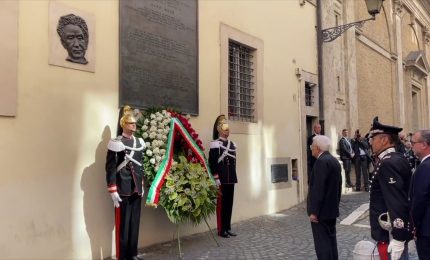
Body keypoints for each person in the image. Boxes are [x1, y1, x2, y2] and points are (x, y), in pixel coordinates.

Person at [368, 117, 412, 260]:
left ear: (384, 140)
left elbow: (396, 201)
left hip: (389, 233)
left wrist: (398, 236)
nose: (371, 142)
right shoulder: (395, 158)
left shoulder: (388, 163)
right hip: (388, 230)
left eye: (373, 138)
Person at [106, 106, 146, 260]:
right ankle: (123, 256)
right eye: (130, 123)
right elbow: (110, 167)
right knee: (123, 224)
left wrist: (141, 183)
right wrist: (112, 189)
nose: (134, 125)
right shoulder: (116, 142)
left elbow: (140, 164)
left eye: (134, 123)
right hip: (122, 187)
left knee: (134, 222)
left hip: (136, 187)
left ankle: (133, 253)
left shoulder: (139, 142)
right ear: (123, 124)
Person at [307, 135, 342, 260]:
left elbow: (318, 189)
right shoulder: (333, 160)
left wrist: (314, 212)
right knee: (331, 240)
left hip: (321, 213)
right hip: (331, 210)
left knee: (322, 244)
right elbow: (338, 187)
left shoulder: (321, 162)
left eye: (312, 146)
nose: (311, 148)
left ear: (317, 148)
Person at [209, 115, 238, 238]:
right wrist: (216, 178)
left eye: (228, 128)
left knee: (229, 203)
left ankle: (227, 227)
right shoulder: (215, 144)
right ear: (219, 130)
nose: (227, 131)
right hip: (221, 179)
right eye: (225, 128)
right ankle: (221, 229)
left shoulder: (232, 144)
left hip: (230, 178)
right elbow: (213, 162)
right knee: (221, 205)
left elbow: (233, 162)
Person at [409, 130, 430, 259]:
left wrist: (414, 225)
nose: (411, 146)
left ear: (424, 145)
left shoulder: (425, 167)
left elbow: (419, 200)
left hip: (427, 230)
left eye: (413, 143)